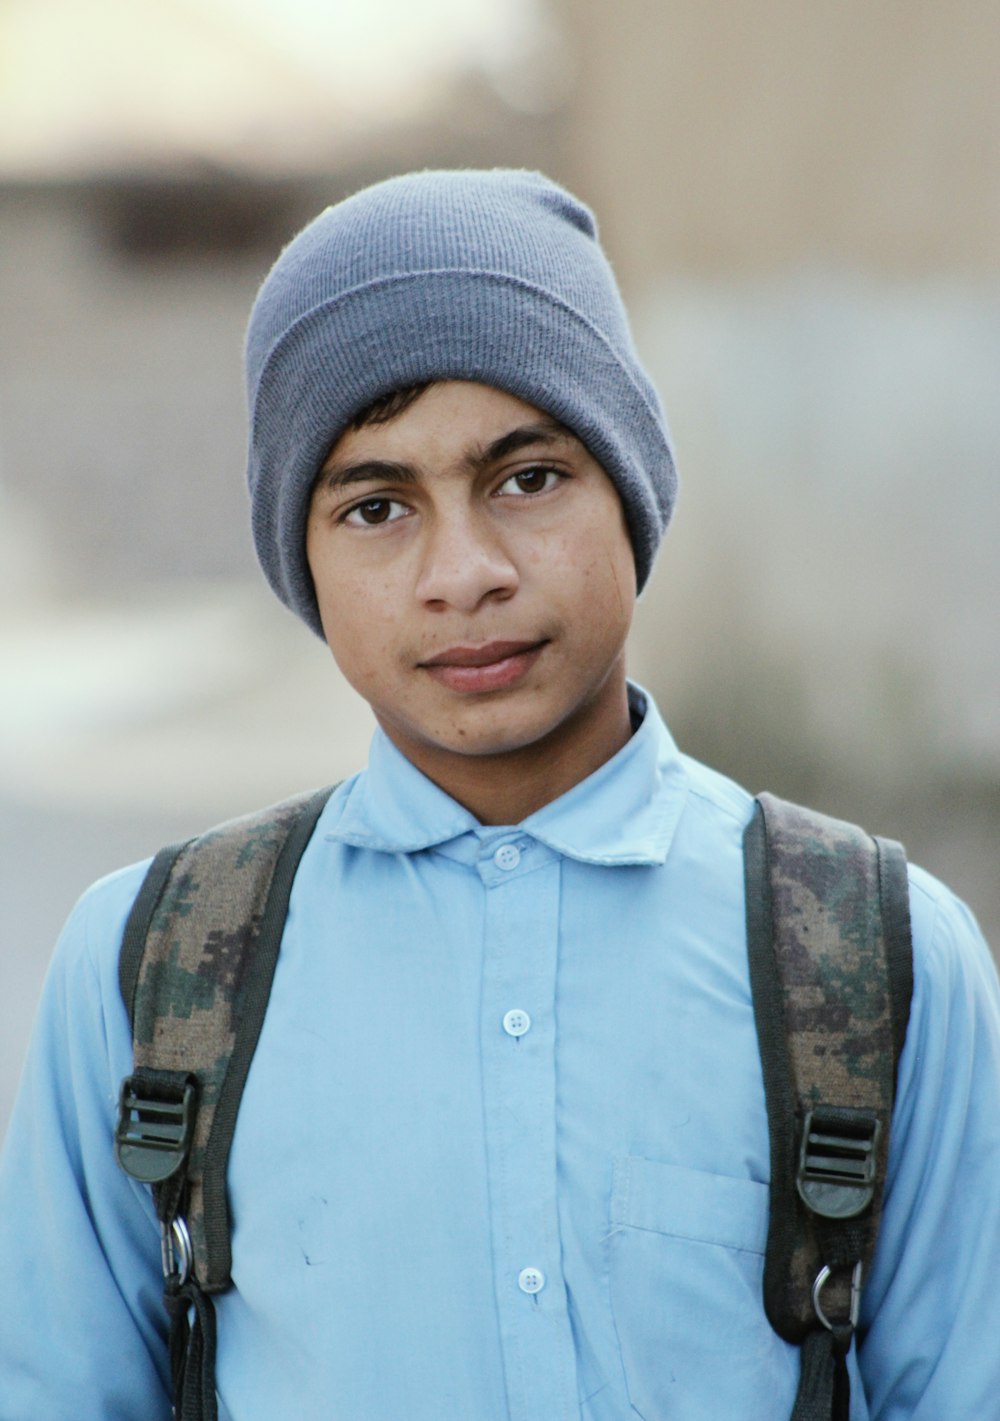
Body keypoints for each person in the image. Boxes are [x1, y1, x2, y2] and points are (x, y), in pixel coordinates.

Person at [1, 169, 998, 1421]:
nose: (462, 573)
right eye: (375, 506)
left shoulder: (874, 954)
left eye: (527, 478)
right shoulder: (151, 971)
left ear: (631, 486)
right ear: (296, 557)